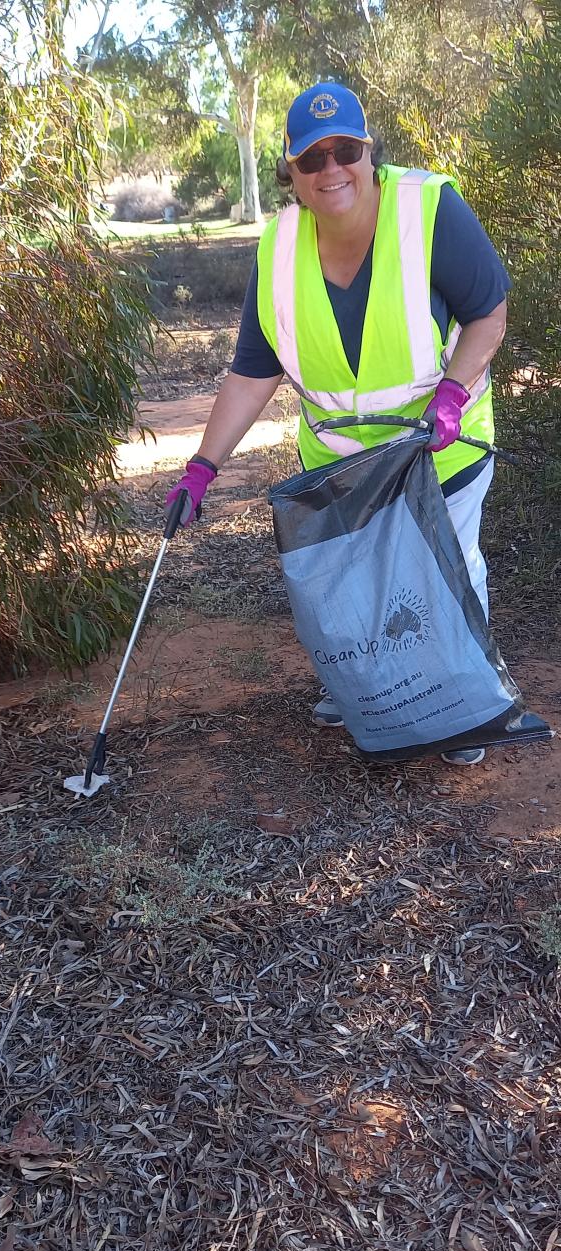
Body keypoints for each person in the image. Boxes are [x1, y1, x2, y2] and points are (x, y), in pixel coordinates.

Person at [166, 82, 511, 766]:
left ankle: (465, 708)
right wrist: (203, 466)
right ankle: (362, 687)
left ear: (369, 152)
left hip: (438, 449)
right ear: (290, 172)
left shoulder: (428, 209)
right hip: (342, 463)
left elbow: (489, 313)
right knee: (350, 584)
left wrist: (450, 392)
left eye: (346, 150)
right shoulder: (278, 249)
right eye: (312, 158)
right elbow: (253, 369)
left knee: (448, 574)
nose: (332, 170)